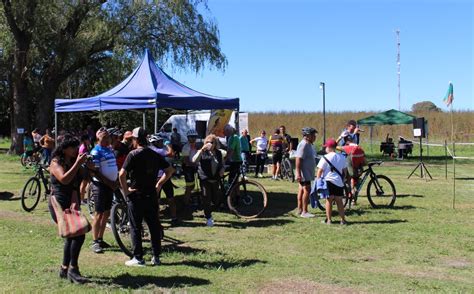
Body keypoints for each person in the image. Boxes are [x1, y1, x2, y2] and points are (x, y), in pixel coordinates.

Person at [119, 127, 174, 266]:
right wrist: (159, 185)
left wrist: (126, 191)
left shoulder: (133, 154)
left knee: (135, 226)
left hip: (136, 194)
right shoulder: (154, 154)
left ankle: (138, 258)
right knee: (153, 226)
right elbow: (169, 170)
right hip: (151, 194)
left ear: (136, 139)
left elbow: (122, 174)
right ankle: (156, 257)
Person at [47, 135, 90, 283]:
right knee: (77, 235)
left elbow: (77, 182)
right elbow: (64, 179)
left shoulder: (71, 161)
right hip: (58, 204)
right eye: (73, 147)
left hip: (71, 201)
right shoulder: (55, 162)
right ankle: (73, 269)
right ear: (64, 149)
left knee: (73, 234)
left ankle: (65, 269)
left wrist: (88, 167)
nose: (76, 150)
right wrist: (77, 163)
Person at [89, 128, 118, 254]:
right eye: (104, 137)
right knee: (99, 213)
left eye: (108, 137)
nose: (107, 139)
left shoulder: (109, 149)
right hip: (100, 185)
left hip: (110, 185)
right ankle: (95, 241)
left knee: (106, 213)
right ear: (98, 138)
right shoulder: (96, 151)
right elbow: (95, 172)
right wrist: (110, 183)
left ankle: (100, 238)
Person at [192, 134, 224, 227]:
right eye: (208, 142)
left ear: (215, 143)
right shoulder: (202, 151)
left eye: (212, 142)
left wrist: (222, 169)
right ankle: (208, 217)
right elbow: (194, 160)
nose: (210, 144)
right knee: (206, 197)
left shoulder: (218, 153)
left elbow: (221, 164)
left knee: (216, 199)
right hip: (205, 179)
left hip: (215, 179)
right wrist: (202, 149)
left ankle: (209, 211)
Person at [316, 138, 349, 225]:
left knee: (329, 200)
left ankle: (329, 220)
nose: (325, 148)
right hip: (339, 182)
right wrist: (343, 179)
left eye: (326, 147)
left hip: (328, 181)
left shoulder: (325, 157)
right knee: (339, 201)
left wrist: (318, 182)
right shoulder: (342, 157)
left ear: (329, 147)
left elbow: (319, 171)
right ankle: (343, 220)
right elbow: (345, 171)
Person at [149, 134, 178, 225]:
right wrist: (168, 145)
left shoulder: (151, 149)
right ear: (155, 143)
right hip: (161, 177)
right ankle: (173, 218)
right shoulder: (156, 150)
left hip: (161, 177)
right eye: (160, 141)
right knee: (168, 198)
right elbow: (171, 154)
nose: (162, 143)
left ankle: (159, 220)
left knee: (161, 199)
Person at [295, 127, 318, 218]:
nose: (315, 137)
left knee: (301, 189)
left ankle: (300, 209)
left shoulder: (308, 144)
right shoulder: (303, 144)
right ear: (308, 136)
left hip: (307, 172)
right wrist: (298, 173)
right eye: (313, 135)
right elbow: (298, 159)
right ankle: (305, 211)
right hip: (304, 173)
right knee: (307, 190)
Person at [181, 130, 199, 209]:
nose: (193, 138)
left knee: (192, 186)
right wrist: (194, 164)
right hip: (188, 168)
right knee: (189, 186)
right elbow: (186, 160)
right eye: (192, 137)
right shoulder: (186, 147)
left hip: (193, 167)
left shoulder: (196, 145)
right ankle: (186, 203)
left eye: (195, 137)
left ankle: (187, 200)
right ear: (188, 138)